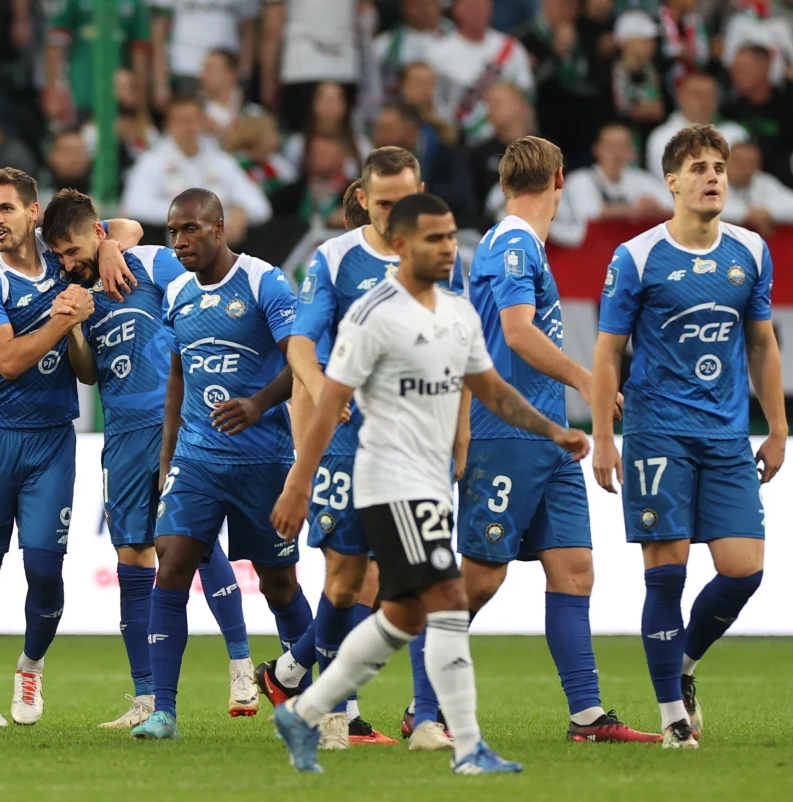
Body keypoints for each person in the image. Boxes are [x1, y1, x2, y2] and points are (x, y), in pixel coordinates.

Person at [269, 193, 583, 774]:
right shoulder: (373, 315)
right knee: (446, 601)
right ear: (401, 245)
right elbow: (330, 401)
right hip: (387, 477)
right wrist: (298, 482)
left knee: (405, 616)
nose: (447, 249)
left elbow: (492, 390)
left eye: (451, 237)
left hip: (431, 479)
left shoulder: (458, 313)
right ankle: (466, 747)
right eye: (434, 238)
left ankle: (302, 708)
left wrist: (553, 430)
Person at [442, 136, 658, 744]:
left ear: (505, 181)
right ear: (560, 179)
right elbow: (517, 333)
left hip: (550, 437)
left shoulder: (520, 244)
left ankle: (587, 716)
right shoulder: (512, 244)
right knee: (481, 578)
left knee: (574, 569)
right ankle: (424, 707)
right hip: (506, 433)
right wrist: (587, 380)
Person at [256, 147, 462, 750]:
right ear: (364, 200)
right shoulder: (335, 258)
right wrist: (322, 390)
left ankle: (427, 719)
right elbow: (301, 342)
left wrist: (460, 436)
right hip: (348, 445)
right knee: (346, 583)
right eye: (383, 203)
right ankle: (327, 708)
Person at [591, 124, 783, 749]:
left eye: (719, 168)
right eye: (699, 168)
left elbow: (762, 344)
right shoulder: (638, 256)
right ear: (671, 181)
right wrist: (603, 436)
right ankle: (673, 716)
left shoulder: (750, 251)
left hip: (727, 434)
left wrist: (778, 427)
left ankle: (686, 665)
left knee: (744, 570)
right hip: (656, 433)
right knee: (666, 573)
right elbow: (607, 352)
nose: (712, 177)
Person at [39, 188, 260, 727]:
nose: (66, 265)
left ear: (98, 234)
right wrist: (72, 326)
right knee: (132, 556)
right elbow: (88, 373)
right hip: (120, 434)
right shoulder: (76, 292)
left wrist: (117, 245)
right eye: (59, 257)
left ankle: (241, 665)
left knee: (192, 545)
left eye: (72, 252)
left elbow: (201, 305)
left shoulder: (152, 263)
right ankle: (144, 698)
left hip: (173, 425)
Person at [0, 168, 143, 727]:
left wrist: (109, 248)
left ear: (33, 212)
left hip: (53, 438)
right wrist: (65, 320)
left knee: (44, 569)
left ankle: (30, 666)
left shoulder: (61, 255)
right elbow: (8, 361)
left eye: (6, 208)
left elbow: (129, 226)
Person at [128, 188, 313, 740]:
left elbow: (301, 359)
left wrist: (258, 403)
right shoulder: (177, 292)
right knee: (171, 563)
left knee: (279, 586)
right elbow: (178, 377)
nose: (179, 241)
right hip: (197, 460)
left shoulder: (263, 281)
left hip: (263, 461)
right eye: (172, 231)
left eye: (190, 229)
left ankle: (313, 699)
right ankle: (163, 711)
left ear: (218, 228)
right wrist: (167, 458)